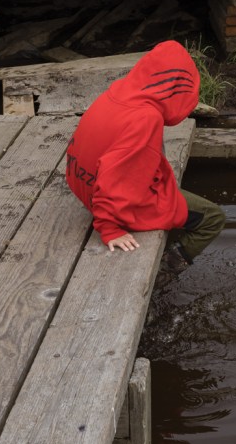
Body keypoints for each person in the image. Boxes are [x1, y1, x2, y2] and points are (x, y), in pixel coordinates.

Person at [65, 40, 225, 275]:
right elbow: (115, 177)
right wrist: (109, 227)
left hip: (83, 185)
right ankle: (166, 270)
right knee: (213, 218)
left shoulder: (117, 93)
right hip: (106, 202)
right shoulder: (146, 118)